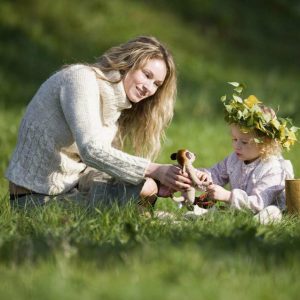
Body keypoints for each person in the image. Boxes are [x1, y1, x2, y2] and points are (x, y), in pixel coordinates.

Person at [6, 36, 193, 208]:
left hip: (71, 187)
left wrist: (161, 181)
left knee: (147, 186)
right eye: (147, 75)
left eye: (157, 84)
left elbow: (94, 165)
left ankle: (148, 212)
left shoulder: (116, 103)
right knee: (143, 188)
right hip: (34, 199)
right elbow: (91, 150)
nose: (149, 88)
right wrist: (154, 169)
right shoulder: (80, 79)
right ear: (128, 63)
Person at [193, 83, 298, 224]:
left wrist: (228, 196)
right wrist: (203, 176)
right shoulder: (234, 159)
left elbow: (260, 202)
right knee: (209, 208)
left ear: (265, 143)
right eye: (234, 139)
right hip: (239, 209)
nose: (236, 145)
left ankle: (252, 225)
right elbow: (216, 174)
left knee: (272, 212)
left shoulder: (274, 168)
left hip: (264, 209)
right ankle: (204, 217)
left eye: (243, 142)